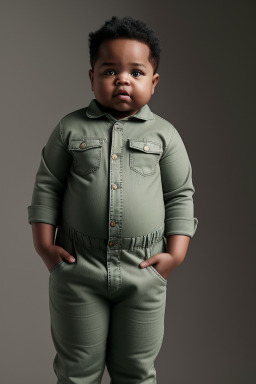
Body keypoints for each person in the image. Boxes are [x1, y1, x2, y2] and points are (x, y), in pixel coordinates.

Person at [27, 15, 198, 384]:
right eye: (109, 71)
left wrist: (176, 253)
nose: (122, 79)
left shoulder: (165, 135)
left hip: (143, 270)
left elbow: (180, 195)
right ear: (92, 77)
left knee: (136, 372)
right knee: (76, 372)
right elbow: (48, 186)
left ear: (153, 82)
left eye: (136, 73)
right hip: (78, 268)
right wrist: (44, 245)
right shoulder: (69, 128)